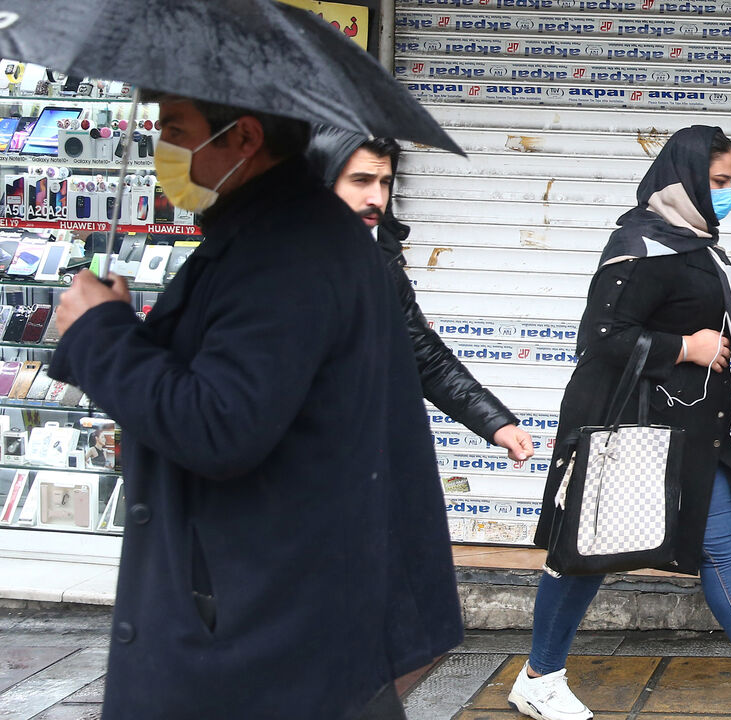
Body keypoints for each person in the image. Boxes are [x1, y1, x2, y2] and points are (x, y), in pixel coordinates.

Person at [48, 95, 461, 720]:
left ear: (242, 138)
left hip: (255, 634)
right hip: (291, 617)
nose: (164, 148)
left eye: (176, 130)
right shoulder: (287, 234)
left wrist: (100, 334)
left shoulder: (283, 252)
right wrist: (108, 329)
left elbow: (217, 426)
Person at [509, 126, 731, 720]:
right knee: (585, 553)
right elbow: (602, 337)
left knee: (722, 541)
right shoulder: (641, 245)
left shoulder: (694, 244)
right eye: (717, 183)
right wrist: (687, 346)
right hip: (622, 427)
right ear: (685, 178)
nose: (726, 195)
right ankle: (539, 677)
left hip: (685, 428)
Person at [305, 127, 533, 460]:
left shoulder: (379, 261)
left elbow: (422, 354)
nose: (376, 198)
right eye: (360, 181)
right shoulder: (272, 263)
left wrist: (497, 424)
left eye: (384, 182)